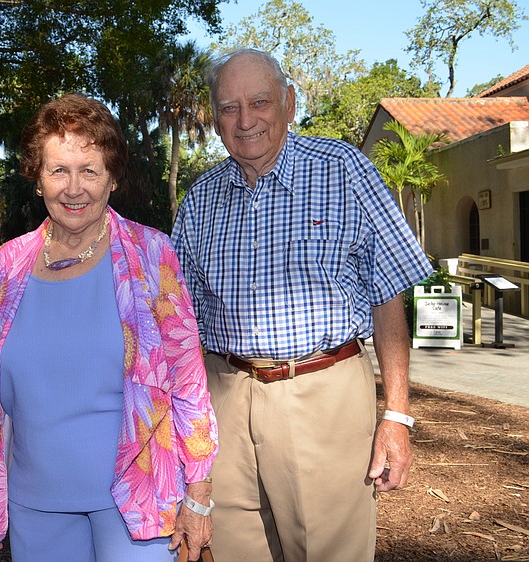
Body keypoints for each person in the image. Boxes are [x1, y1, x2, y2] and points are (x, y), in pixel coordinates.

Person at [171, 49, 433, 562]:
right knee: (233, 550)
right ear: (216, 119)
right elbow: (181, 328)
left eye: (260, 102)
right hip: (225, 397)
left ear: (289, 103)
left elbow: (387, 294)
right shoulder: (199, 200)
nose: (245, 121)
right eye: (229, 108)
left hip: (323, 394)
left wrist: (397, 416)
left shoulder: (344, 170)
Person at [0, 93, 218, 562]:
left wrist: (199, 492)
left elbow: (188, 381)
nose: (73, 188)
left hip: (136, 503)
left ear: (112, 178)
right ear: (37, 178)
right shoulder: (8, 264)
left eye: (90, 170)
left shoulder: (151, 254)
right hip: (34, 505)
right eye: (58, 170)